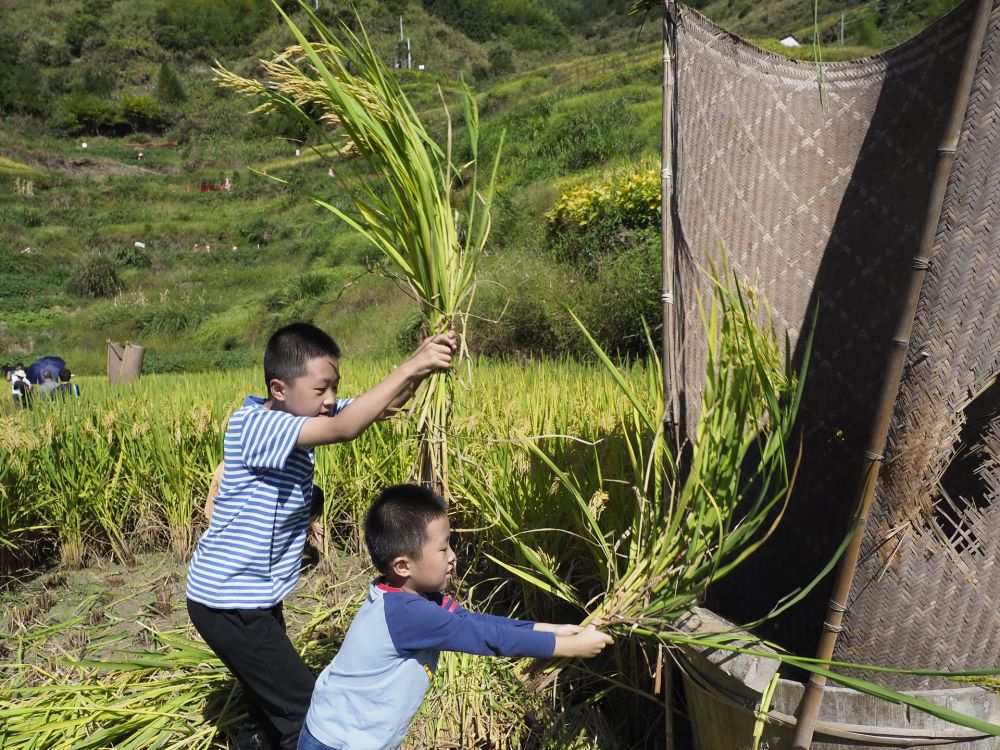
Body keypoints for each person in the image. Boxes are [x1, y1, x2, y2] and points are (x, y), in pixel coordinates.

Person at [185, 322, 456, 750]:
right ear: (279, 388)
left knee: (266, 704)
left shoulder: (304, 411)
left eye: (335, 389)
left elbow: (378, 408)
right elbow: (344, 427)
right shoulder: (255, 425)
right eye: (321, 389)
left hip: (253, 595)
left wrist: (425, 363)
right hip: (227, 600)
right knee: (304, 713)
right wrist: (410, 365)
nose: (330, 400)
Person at [298, 484, 614, 750]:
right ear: (403, 566)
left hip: (346, 733)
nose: (452, 557)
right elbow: (489, 639)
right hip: (338, 742)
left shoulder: (407, 595)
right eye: (443, 549)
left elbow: (477, 623)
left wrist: (556, 630)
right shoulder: (409, 614)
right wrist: (568, 648)